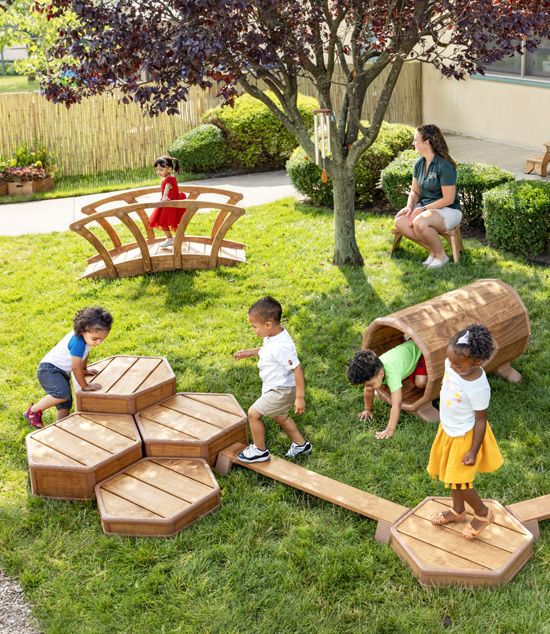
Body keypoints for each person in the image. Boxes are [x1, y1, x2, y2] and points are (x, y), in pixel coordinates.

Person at [428, 324, 503, 539]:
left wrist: (473, 450)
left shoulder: (479, 387)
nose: (451, 366)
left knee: (460, 480)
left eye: (458, 364)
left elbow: (481, 421)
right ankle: (458, 511)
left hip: (465, 436)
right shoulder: (453, 362)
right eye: (450, 360)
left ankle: (483, 513)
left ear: (477, 362)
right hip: (449, 430)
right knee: (451, 476)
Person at [233, 296, 312, 463]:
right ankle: (301, 444)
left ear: (268, 324)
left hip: (281, 389)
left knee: (253, 414)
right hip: (275, 386)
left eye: (254, 326)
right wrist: (251, 352)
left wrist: (300, 398)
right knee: (280, 417)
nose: (253, 330)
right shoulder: (273, 336)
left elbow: (297, 369)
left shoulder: (282, 346)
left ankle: (259, 450)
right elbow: (267, 349)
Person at [23, 307, 113, 428]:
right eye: (95, 339)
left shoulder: (86, 339)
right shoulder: (78, 343)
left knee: (66, 404)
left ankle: (62, 427)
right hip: (49, 370)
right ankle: (33, 411)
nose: (98, 342)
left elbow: (84, 356)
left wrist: (85, 369)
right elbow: (76, 367)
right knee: (61, 394)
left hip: (60, 371)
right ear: (82, 331)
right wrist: (85, 386)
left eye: (102, 339)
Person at [394, 124, 462, 269]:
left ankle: (441, 256)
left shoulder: (444, 165)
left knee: (420, 222)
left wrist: (423, 209)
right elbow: (415, 192)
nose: (413, 143)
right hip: (426, 209)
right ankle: (435, 251)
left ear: (427, 142)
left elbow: (448, 199)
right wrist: (409, 206)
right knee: (400, 221)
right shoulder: (419, 163)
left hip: (448, 210)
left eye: (415, 140)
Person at [347, 340, 428, 439]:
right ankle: (410, 369)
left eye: (371, 384)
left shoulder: (392, 375)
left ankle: (419, 371)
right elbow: (368, 390)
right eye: (366, 385)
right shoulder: (374, 369)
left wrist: (390, 429)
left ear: (381, 373)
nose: (369, 388)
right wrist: (367, 410)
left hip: (421, 353)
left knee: (420, 382)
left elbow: (396, 404)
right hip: (407, 354)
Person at [148, 155, 187, 249]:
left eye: (161, 169)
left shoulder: (169, 180)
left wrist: (165, 196)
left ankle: (172, 238)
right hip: (171, 203)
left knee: (163, 221)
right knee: (170, 222)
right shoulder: (170, 177)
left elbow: (167, 187)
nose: (158, 172)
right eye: (157, 170)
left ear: (168, 169)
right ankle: (177, 237)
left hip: (170, 204)